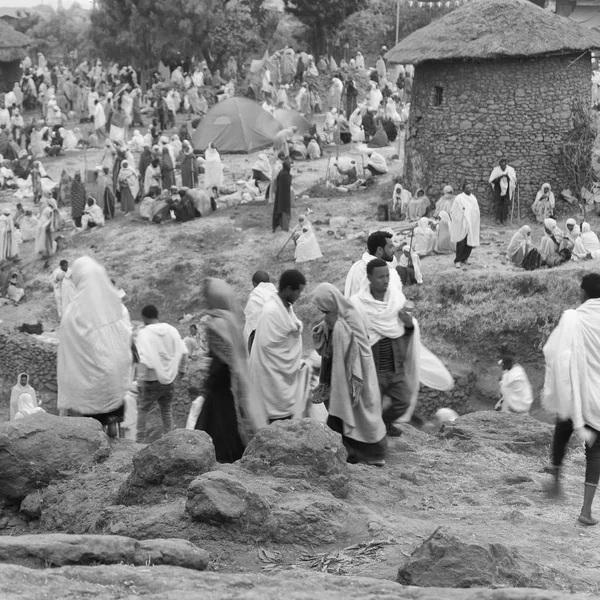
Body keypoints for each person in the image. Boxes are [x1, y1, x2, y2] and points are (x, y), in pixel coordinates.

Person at [543, 273, 600, 525]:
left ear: (584, 293)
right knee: (596, 453)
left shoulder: (573, 318)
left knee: (562, 430)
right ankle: (585, 511)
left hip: (576, 392)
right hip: (598, 397)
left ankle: (555, 481)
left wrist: (563, 383)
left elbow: (554, 350)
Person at [311, 283, 387, 466]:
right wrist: (327, 325)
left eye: (323, 309)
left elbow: (354, 343)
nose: (322, 313)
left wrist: (335, 326)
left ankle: (373, 454)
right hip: (343, 375)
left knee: (359, 413)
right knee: (344, 413)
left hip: (358, 372)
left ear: (330, 303)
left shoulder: (349, 315)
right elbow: (325, 338)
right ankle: (352, 454)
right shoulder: (337, 314)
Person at [57, 256, 132, 438]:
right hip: (113, 378)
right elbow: (125, 339)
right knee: (113, 427)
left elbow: (67, 352)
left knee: (91, 434)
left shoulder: (73, 314)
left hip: (88, 388)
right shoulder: (117, 307)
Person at [195, 278, 268, 462]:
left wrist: (207, 383)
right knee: (231, 426)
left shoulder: (216, 323)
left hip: (220, 388)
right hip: (235, 384)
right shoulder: (232, 321)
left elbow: (219, 362)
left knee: (216, 430)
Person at [351, 259, 420, 436]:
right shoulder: (357, 304)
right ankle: (372, 437)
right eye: (380, 276)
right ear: (369, 278)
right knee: (371, 406)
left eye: (387, 276)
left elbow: (405, 333)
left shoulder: (397, 300)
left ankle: (384, 423)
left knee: (403, 401)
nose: (385, 280)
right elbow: (352, 336)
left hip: (396, 366)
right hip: (372, 367)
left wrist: (409, 324)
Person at [249, 269, 306, 423]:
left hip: (281, 375)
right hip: (270, 375)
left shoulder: (286, 306)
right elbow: (268, 346)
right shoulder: (271, 311)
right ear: (288, 289)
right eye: (298, 292)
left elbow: (291, 327)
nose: (299, 296)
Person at [135, 304, 188, 443]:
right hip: (170, 380)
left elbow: (143, 359)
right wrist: (182, 369)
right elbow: (184, 352)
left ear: (144, 317)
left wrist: (139, 381)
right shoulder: (172, 330)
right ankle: (169, 439)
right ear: (157, 315)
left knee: (143, 409)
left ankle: (139, 441)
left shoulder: (144, 333)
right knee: (166, 410)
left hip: (151, 380)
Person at [345, 230, 403, 298]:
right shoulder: (374, 272)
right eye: (390, 247)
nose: (393, 250)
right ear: (379, 250)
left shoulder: (357, 265)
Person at [243, 270, 278, 352]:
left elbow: (252, 321)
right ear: (269, 281)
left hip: (257, 340)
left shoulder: (255, 296)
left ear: (254, 284)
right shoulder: (278, 295)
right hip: (276, 337)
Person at [450, 183, 480, 268]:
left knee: (470, 243)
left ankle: (465, 258)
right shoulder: (459, 198)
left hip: (472, 223)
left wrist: (473, 218)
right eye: (467, 188)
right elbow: (454, 211)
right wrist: (463, 214)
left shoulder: (473, 198)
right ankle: (458, 260)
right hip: (462, 223)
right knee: (461, 242)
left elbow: (476, 210)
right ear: (463, 189)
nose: (470, 189)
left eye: (471, 187)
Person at [494, 349, 533, 415]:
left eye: (504, 364)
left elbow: (505, 387)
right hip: (513, 404)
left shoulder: (515, 375)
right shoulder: (516, 369)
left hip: (520, 408)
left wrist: (501, 403)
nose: (502, 367)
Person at [489, 158, 517, 225]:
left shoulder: (510, 170)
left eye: (504, 166)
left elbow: (514, 179)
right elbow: (491, 180)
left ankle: (504, 219)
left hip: (507, 189)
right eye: (501, 166)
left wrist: (507, 176)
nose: (503, 167)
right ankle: (498, 219)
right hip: (498, 189)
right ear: (499, 165)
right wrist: (499, 177)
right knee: (498, 204)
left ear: (506, 165)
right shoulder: (496, 170)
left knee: (506, 204)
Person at [273, 158, 292, 232]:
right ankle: (284, 227)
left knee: (281, 210)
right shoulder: (285, 174)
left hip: (280, 196)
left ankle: (281, 225)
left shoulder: (282, 172)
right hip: (284, 197)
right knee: (285, 211)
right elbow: (288, 183)